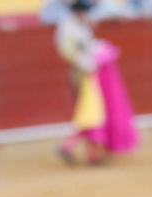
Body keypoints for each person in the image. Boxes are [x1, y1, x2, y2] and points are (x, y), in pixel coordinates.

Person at [53, 0, 138, 165]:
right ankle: (70, 146)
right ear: (79, 12)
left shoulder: (79, 25)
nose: (88, 15)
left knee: (93, 112)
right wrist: (89, 63)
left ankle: (89, 153)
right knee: (90, 112)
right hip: (82, 73)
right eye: (86, 12)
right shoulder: (70, 28)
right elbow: (69, 52)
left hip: (88, 73)